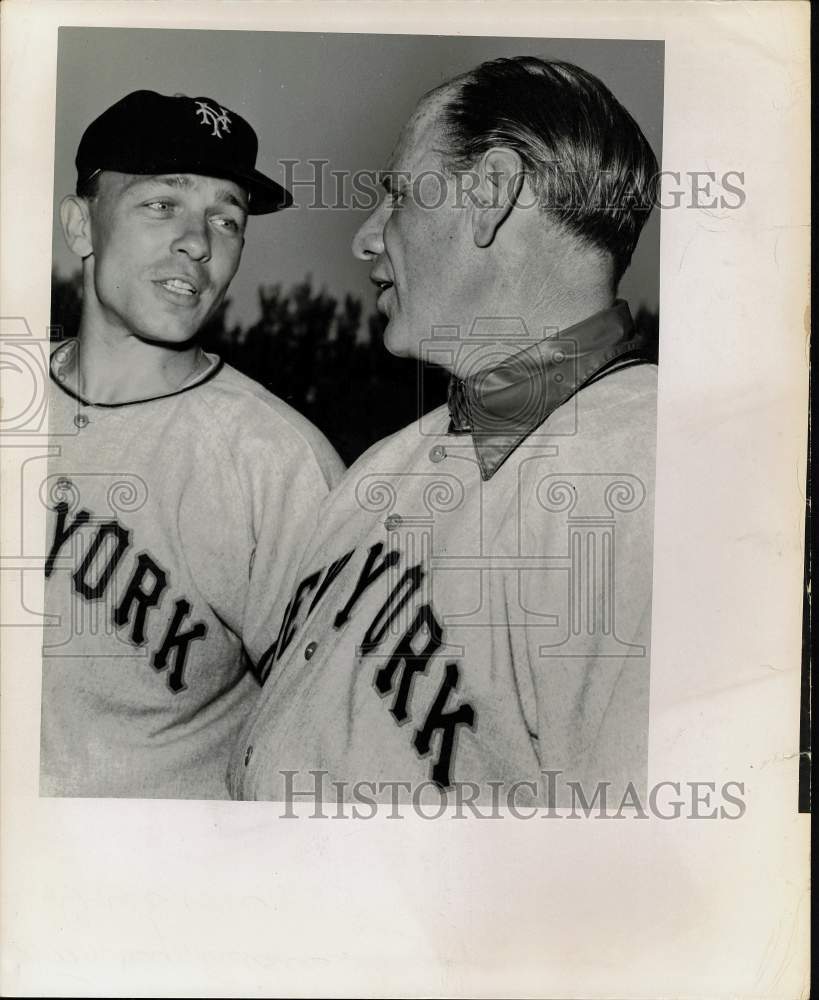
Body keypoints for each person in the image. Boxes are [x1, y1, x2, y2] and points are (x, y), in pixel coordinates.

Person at [228, 57, 658, 809]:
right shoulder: (381, 467)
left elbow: (637, 885)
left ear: (490, 193)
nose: (366, 239)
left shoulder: (654, 472)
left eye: (395, 194)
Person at [41, 90, 344, 799]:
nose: (198, 243)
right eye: (162, 204)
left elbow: (334, 740)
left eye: (226, 219)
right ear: (80, 225)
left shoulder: (274, 463)